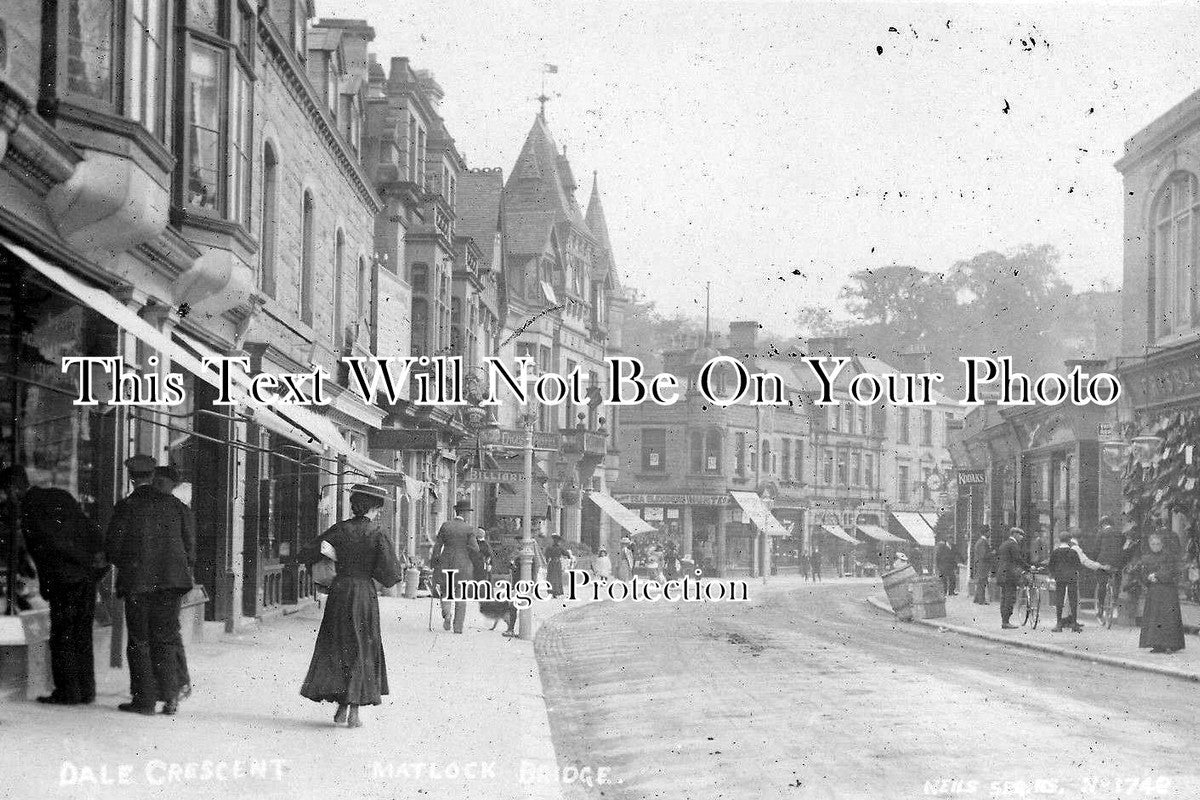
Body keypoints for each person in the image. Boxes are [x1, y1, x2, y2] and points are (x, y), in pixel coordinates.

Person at [299, 484, 400, 727]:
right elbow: (391, 575)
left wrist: (333, 558)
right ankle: (354, 712)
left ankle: (341, 707)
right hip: (364, 594)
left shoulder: (339, 529)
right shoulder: (378, 533)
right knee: (362, 647)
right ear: (374, 508)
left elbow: (307, 553)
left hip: (340, 592)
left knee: (338, 647)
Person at [3, 466, 105, 705]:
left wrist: (46, 584)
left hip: (63, 578)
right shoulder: (61, 496)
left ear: (13, 488)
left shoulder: (30, 509)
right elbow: (90, 530)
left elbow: (44, 550)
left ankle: (68, 692)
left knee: (63, 635)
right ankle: (86, 691)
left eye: (8, 492)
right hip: (85, 575)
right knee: (81, 634)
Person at [105, 455, 195, 716]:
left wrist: (131, 565)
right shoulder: (177, 506)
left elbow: (113, 548)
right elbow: (190, 548)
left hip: (137, 583)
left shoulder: (126, 506)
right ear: (153, 475)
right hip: (172, 584)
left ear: (131, 478)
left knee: (140, 640)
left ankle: (144, 700)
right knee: (165, 637)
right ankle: (170, 698)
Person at [152, 465, 192, 701]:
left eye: (163, 481)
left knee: (167, 633)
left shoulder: (179, 509)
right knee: (167, 632)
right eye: (156, 480)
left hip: (170, 581)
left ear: (173, 486)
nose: (158, 484)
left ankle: (177, 684)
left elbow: (190, 546)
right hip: (165, 580)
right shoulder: (170, 508)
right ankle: (176, 683)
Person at [1130, 531, 1185, 654]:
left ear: (1162, 544)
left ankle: (1169, 645)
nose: (1155, 546)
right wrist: (1147, 578)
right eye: (1153, 544)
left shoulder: (1168, 556)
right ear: (1149, 545)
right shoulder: (1146, 557)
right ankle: (1156, 644)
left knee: (1168, 618)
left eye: (1157, 544)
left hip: (1167, 592)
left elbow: (1172, 571)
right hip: (1154, 592)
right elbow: (1141, 574)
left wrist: (1157, 575)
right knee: (1154, 618)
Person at [430, 499, 480, 633]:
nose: (469, 515)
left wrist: (434, 562)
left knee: (446, 591)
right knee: (460, 595)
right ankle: (458, 627)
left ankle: (447, 614)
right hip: (463, 566)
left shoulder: (445, 526)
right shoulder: (468, 529)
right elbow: (475, 549)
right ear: (464, 513)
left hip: (445, 563)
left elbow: (437, 546)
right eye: (468, 512)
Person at [1047, 532, 1106, 632]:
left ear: (1060, 540)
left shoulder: (1055, 552)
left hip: (1060, 579)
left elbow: (1051, 566)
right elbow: (1078, 565)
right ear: (1069, 540)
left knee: (1059, 601)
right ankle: (1074, 624)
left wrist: (1055, 574)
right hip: (1072, 578)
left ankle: (1059, 624)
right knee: (1073, 601)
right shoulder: (1073, 552)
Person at [996, 527, 1030, 629]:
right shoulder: (1013, 544)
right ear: (1014, 534)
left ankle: (1004, 620)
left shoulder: (1004, 544)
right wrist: (1028, 567)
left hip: (1002, 574)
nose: (1022, 537)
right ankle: (1006, 621)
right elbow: (1017, 559)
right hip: (1009, 575)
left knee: (1004, 598)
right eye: (1020, 535)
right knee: (1010, 598)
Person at [971, 530, 994, 605]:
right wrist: (992, 553)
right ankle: (981, 600)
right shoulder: (982, 542)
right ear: (985, 532)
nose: (990, 534)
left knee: (981, 581)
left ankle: (977, 599)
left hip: (980, 565)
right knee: (982, 582)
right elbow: (983, 555)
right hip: (982, 565)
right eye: (988, 532)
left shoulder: (980, 541)